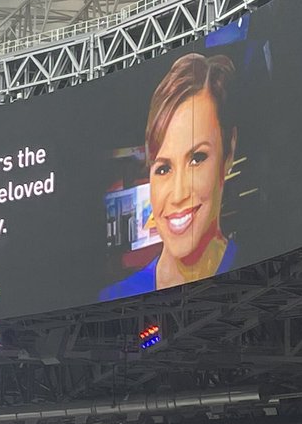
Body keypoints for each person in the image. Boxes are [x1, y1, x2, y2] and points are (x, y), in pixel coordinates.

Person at [100, 52, 238, 301]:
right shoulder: (114, 298)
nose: (178, 194)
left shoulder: (257, 270)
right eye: (163, 168)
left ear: (228, 153)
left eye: (197, 158)